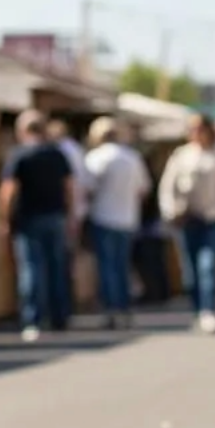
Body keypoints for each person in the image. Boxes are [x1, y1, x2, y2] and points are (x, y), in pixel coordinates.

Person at [0, 109, 75, 341]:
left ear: (22, 131)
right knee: (56, 268)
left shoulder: (19, 155)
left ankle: (33, 320)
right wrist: (70, 215)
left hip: (29, 219)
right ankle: (60, 317)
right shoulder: (58, 154)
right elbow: (70, 188)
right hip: (56, 217)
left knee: (32, 270)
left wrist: (3, 220)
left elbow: (8, 191)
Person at [158, 114, 215, 335]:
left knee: (208, 264)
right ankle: (197, 306)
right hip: (186, 217)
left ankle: (208, 309)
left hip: (212, 218)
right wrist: (171, 210)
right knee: (190, 269)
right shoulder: (182, 156)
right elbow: (168, 186)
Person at [83, 117, 150, 330]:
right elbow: (143, 189)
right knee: (122, 266)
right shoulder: (132, 158)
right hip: (127, 219)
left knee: (107, 267)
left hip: (104, 217)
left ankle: (111, 309)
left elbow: (86, 189)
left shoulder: (95, 158)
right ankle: (124, 308)